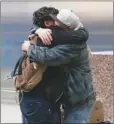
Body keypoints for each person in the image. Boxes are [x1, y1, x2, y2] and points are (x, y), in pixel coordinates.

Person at [22, 7, 96, 123]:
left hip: (78, 102)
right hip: (43, 100)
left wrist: (29, 48)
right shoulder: (48, 39)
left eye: (58, 21)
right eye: (54, 20)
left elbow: (50, 56)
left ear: (68, 27)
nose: (56, 23)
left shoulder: (73, 43)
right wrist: (37, 30)